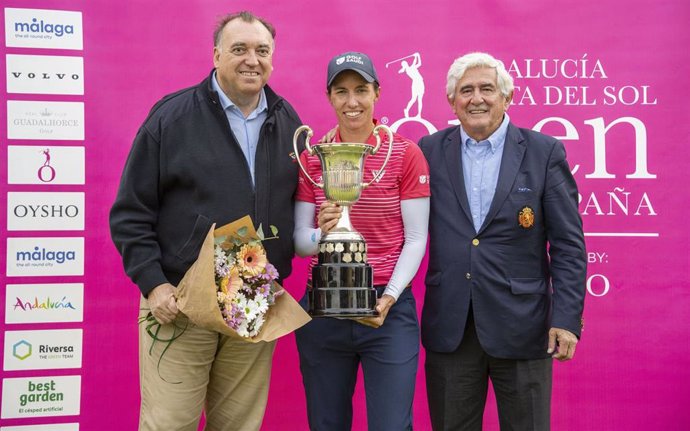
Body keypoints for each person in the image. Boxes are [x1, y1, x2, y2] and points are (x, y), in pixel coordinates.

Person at [109, 11, 303, 431]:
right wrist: (153, 283)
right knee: (170, 422)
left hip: (253, 295)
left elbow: (291, 209)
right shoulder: (172, 118)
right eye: (239, 49)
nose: (252, 60)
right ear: (216, 55)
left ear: (273, 58)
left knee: (238, 424)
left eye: (262, 50)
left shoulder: (288, 122)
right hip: (180, 300)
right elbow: (131, 211)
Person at [418, 52, 587, 431]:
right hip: (451, 329)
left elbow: (568, 245)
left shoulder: (544, 152)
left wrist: (566, 319)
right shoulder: (428, 151)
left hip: (524, 328)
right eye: (466, 90)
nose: (476, 98)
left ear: (506, 98)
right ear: (451, 101)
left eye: (486, 89)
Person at [293, 52, 431, 431]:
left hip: (387, 309)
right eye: (342, 92)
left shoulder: (405, 154)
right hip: (323, 308)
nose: (352, 102)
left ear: (377, 93)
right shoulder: (313, 156)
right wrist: (321, 233)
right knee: (326, 423)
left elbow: (416, 238)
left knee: (390, 425)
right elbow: (301, 242)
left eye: (361, 90)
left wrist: (388, 300)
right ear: (329, 97)